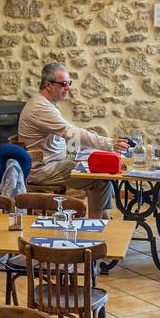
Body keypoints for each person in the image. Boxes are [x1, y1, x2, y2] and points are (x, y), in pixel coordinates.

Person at [18, 63, 129, 217]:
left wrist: (84, 143)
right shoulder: (40, 108)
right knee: (100, 180)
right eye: (63, 84)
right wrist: (108, 143)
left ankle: (103, 219)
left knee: (95, 160)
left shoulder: (46, 103)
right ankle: (96, 225)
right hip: (45, 169)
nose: (68, 88)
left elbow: (67, 134)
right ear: (48, 85)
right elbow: (70, 132)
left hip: (55, 160)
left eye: (69, 83)